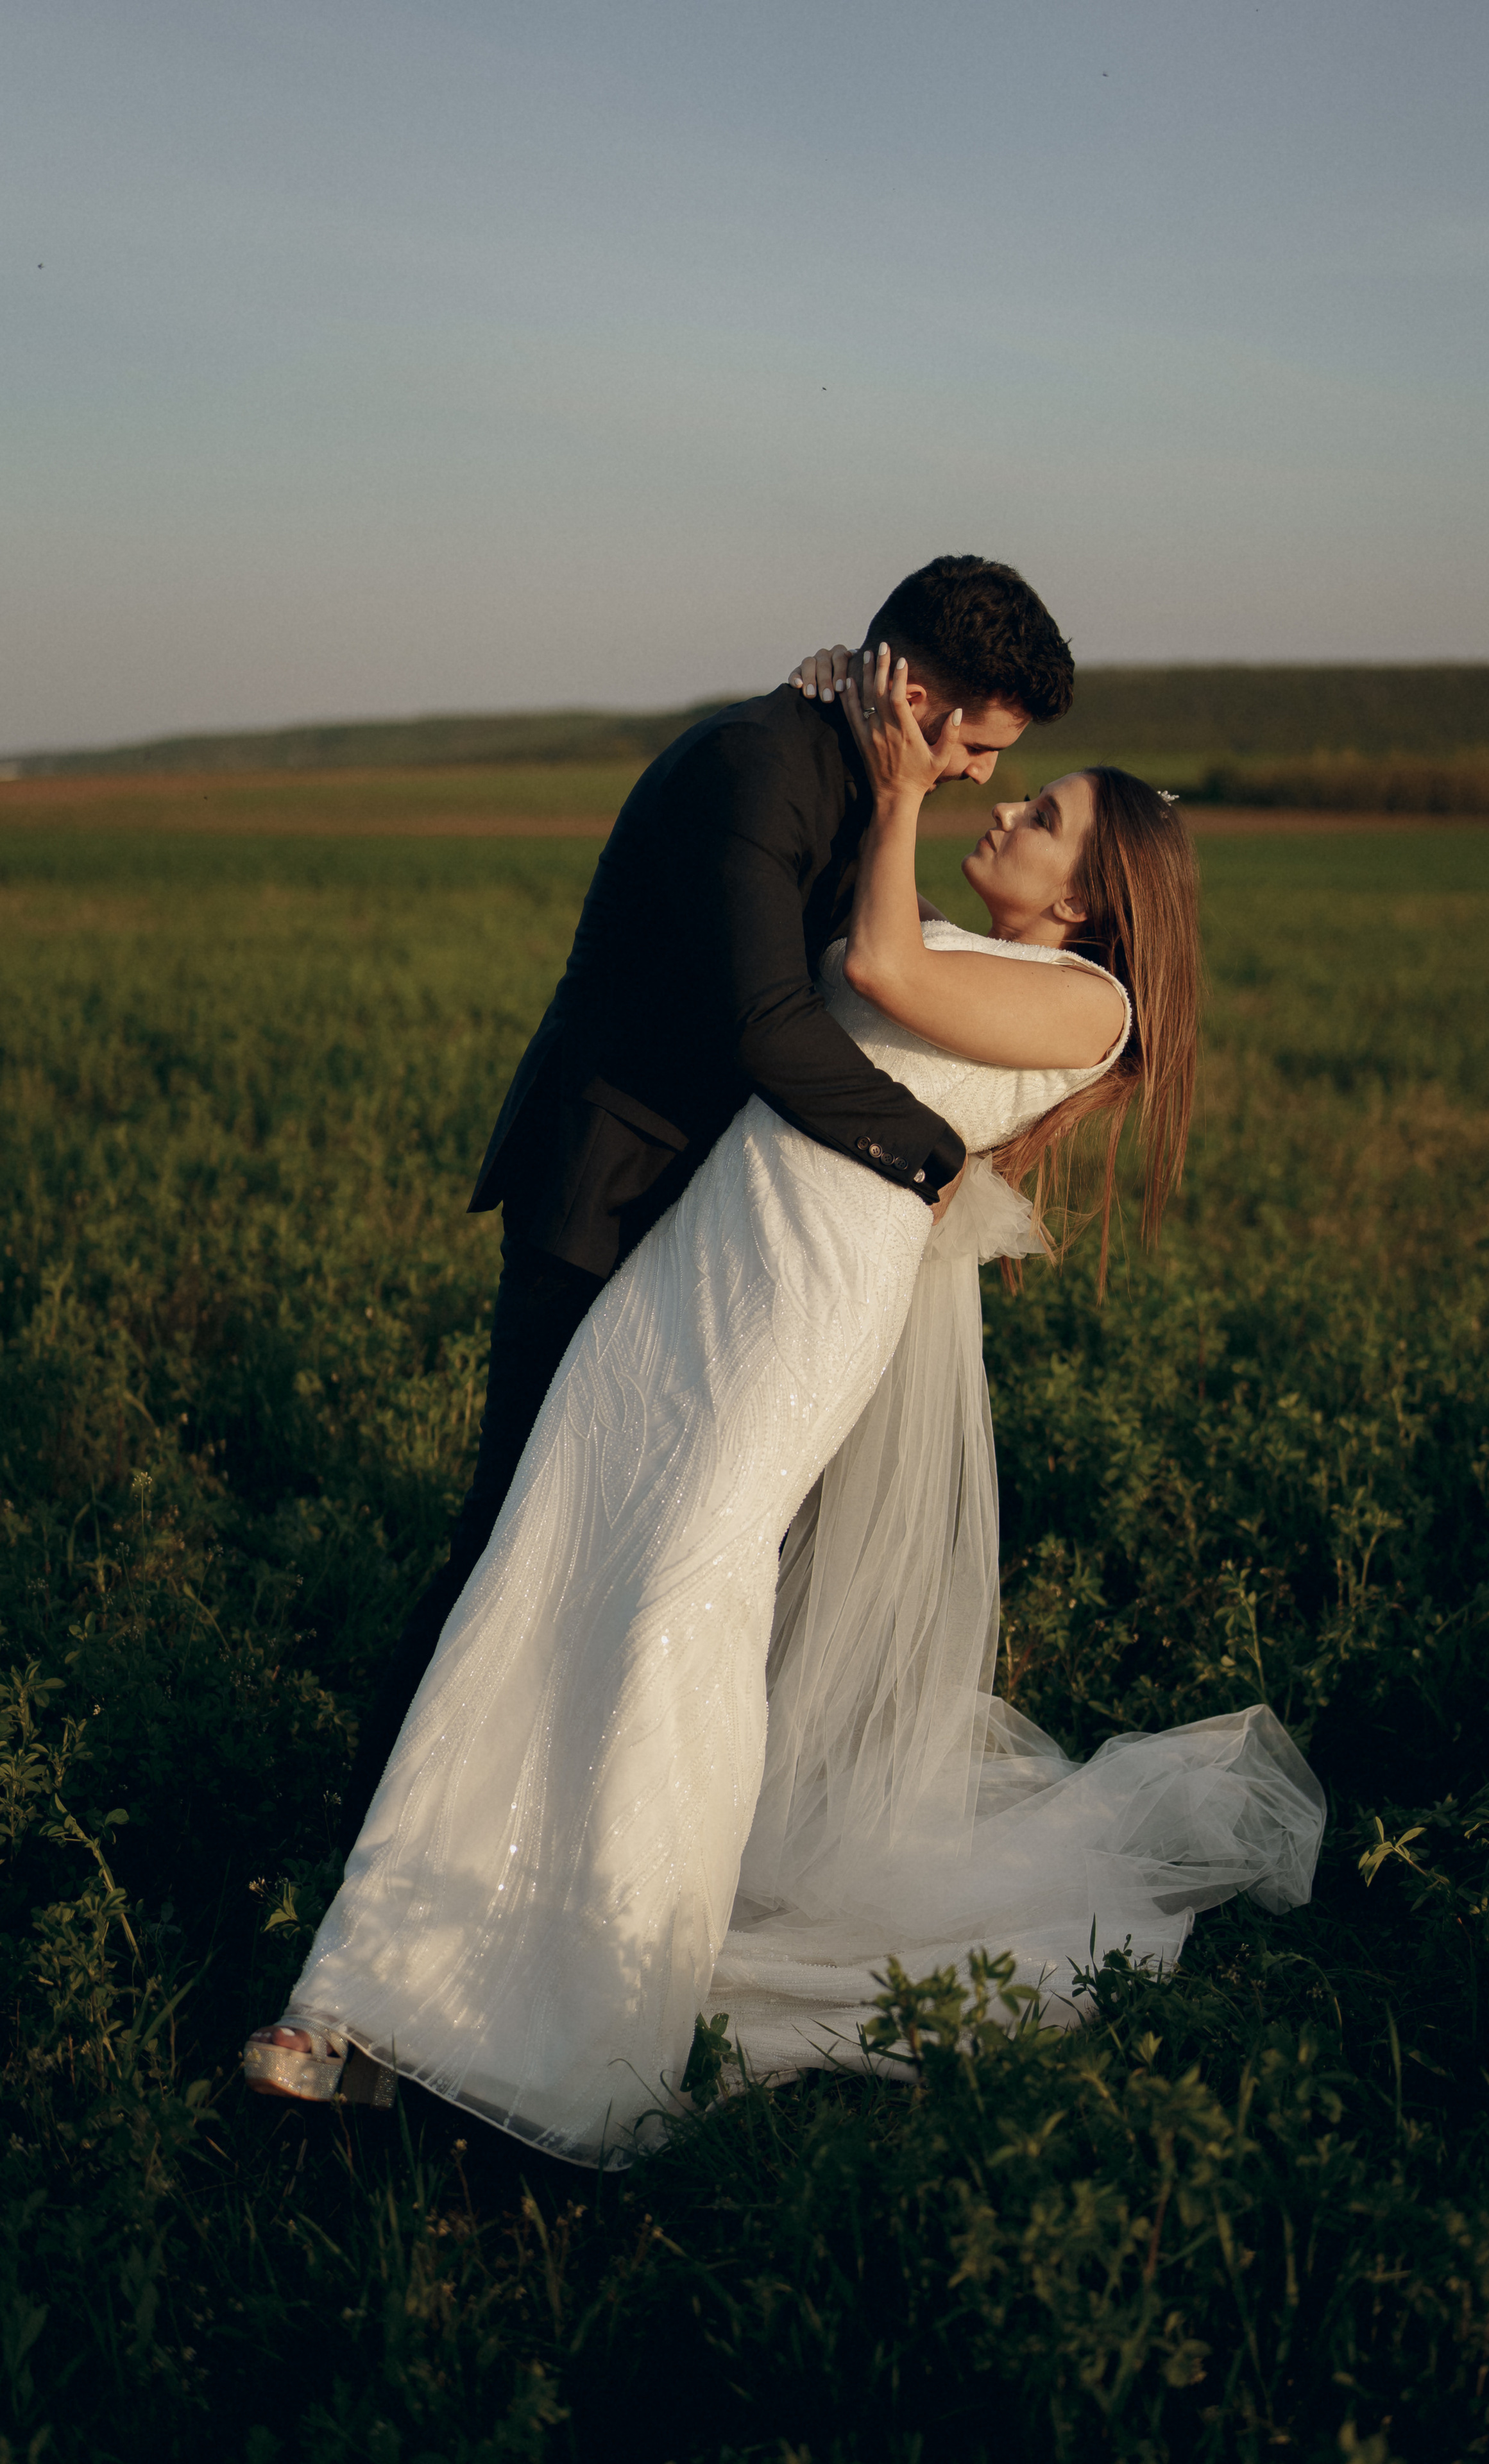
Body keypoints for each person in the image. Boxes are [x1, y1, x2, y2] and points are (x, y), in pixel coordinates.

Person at [244, 644, 1325, 2157]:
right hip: (688, 1272)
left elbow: (877, 975)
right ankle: (362, 1990)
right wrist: (829, 713)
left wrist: (891, 786)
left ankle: (599, 2010)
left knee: (675, 1605)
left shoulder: (1085, 1009)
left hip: (798, 1312)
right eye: (1009, 786)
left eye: (1047, 814)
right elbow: (816, 960)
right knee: (543, 1573)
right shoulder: (962, 929)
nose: (1003, 806)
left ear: (1092, 899)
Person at [335, 555, 1073, 1844]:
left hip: (707, 1222)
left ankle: (556, 1831)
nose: (979, 777)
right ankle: (367, 1860)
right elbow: (767, 1030)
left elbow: (897, 962)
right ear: (916, 693)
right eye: (980, 744)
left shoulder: (854, 772)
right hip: (605, 1188)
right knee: (514, 1535)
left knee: (644, 1546)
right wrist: (941, 1165)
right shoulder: (757, 764)